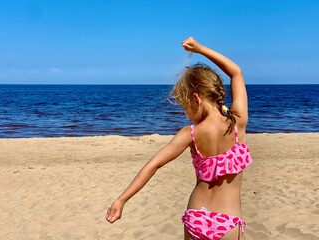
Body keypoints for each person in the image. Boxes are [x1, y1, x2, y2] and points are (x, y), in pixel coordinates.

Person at [106, 36, 253, 240]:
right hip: (228, 221)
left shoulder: (190, 133)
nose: (186, 113)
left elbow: (153, 165)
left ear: (196, 98)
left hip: (196, 217)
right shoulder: (237, 123)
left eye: (186, 106)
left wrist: (122, 200)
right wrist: (201, 49)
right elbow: (236, 72)